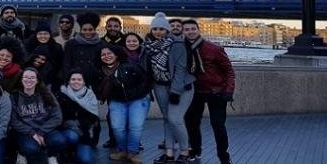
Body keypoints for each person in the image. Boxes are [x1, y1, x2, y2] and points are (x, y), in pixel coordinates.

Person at [144, 12, 195, 164]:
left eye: (161, 29)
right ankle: (169, 153)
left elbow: (180, 70)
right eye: (155, 29)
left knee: (175, 119)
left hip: (181, 87)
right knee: (167, 119)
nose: (158, 32)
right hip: (159, 86)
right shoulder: (148, 46)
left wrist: (175, 92)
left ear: (167, 31)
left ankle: (185, 151)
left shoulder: (177, 45)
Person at [182, 19, 235, 164]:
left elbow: (229, 71)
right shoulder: (181, 49)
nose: (190, 32)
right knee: (192, 123)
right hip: (195, 92)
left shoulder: (214, 49)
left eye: (193, 29)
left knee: (218, 125)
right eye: (186, 29)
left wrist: (229, 91)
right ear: (183, 32)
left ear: (199, 30)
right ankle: (195, 150)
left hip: (216, 92)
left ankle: (223, 156)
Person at [101, 46, 152, 164]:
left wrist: (139, 93)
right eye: (103, 55)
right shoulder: (100, 70)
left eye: (109, 53)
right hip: (116, 100)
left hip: (137, 99)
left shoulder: (129, 65)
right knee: (117, 127)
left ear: (117, 55)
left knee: (135, 126)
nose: (106, 56)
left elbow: (145, 80)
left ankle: (133, 152)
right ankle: (123, 150)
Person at [11, 67, 65, 164]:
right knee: (30, 148)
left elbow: (57, 117)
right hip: (25, 132)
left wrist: (41, 132)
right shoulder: (14, 97)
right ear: (21, 79)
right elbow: (13, 121)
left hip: (45, 129)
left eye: (32, 78)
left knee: (59, 140)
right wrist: (32, 133)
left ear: (37, 81)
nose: (29, 80)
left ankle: (51, 155)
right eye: (26, 77)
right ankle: (22, 154)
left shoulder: (46, 94)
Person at [56, 69, 99, 164]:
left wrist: (77, 121)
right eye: (73, 79)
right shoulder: (61, 94)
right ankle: (66, 152)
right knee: (71, 136)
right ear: (68, 81)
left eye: (79, 79)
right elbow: (59, 118)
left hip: (85, 134)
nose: (76, 82)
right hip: (67, 130)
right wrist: (75, 122)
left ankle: (78, 151)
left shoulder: (90, 95)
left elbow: (93, 119)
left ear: (84, 82)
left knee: (86, 160)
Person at [63, 12, 106, 87]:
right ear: (81, 30)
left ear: (94, 30)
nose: (87, 32)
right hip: (76, 83)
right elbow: (66, 64)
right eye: (84, 30)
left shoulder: (101, 44)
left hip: (96, 83)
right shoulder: (71, 44)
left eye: (90, 29)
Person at [24, 21, 64, 89]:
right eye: (40, 34)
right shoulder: (28, 45)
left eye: (46, 34)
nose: (43, 36)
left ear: (50, 35)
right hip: (29, 80)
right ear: (36, 34)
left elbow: (61, 65)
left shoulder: (56, 47)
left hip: (50, 82)